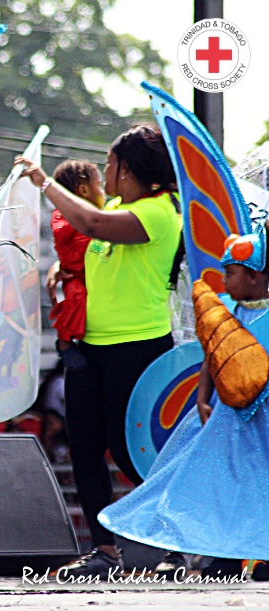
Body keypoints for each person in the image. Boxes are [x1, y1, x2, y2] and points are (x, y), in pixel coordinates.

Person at [16, 124, 181, 579]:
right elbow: (83, 244)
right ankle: (104, 551)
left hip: (140, 347)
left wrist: (45, 182)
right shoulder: (115, 205)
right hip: (90, 348)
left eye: (109, 163)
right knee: (85, 448)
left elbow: (88, 223)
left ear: (127, 169)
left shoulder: (161, 213)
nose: (103, 172)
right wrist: (62, 277)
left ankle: (174, 546)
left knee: (134, 453)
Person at [99, 227, 269, 580]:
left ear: (254, 277)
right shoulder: (229, 311)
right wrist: (202, 397)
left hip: (261, 422)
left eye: (230, 273)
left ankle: (258, 555)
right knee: (214, 486)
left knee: (258, 488)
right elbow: (212, 355)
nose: (224, 280)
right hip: (224, 421)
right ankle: (220, 556)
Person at [48, 160, 105, 371]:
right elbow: (63, 232)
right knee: (75, 300)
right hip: (74, 275)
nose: (103, 192)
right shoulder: (65, 215)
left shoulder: (101, 215)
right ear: (83, 190)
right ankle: (64, 343)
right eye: (99, 186)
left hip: (92, 274)